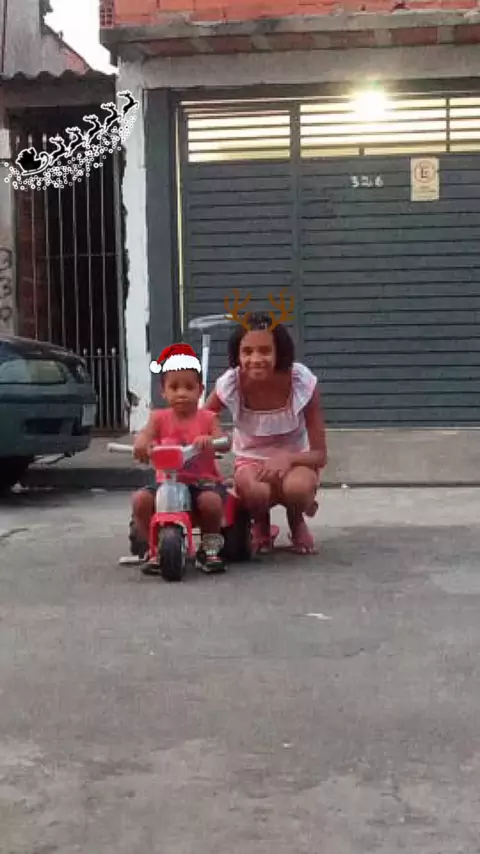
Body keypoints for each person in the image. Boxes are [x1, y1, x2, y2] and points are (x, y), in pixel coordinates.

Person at [204, 313, 327, 555]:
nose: (256, 359)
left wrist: (288, 458)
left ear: (279, 352)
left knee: (297, 489)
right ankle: (261, 523)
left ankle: (296, 521)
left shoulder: (301, 382)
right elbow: (204, 417)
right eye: (247, 352)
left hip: (296, 461)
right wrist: (216, 434)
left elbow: (320, 455)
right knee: (256, 491)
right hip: (250, 461)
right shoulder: (231, 383)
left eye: (265, 351)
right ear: (237, 354)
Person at [132, 344, 229, 572]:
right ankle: (151, 547)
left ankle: (209, 548)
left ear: (200, 390)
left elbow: (224, 442)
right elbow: (145, 435)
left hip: (201, 482)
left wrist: (210, 440)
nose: (182, 393)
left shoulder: (208, 418)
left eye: (189, 387)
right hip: (166, 482)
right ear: (163, 391)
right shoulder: (158, 418)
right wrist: (142, 443)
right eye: (174, 387)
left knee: (211, 502)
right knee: (140, 500)